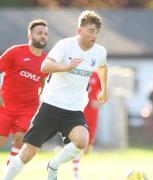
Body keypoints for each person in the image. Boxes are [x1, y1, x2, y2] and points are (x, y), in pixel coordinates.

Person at [3, 10, 108, 180]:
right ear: (79, 31)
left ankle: (54, 165)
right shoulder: (65, 45)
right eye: (90, 31)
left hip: (73, 109)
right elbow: (45, 66)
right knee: (27, 154)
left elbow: (102, 67)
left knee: (82, 140)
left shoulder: (99, 52)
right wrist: (66, 67)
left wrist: (104, 89)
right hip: (51, 106)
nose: (94, 35)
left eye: (96, 31)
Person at [0, 19, 48, 165]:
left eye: (45, 34)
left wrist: (43, 100)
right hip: (5, 106)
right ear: (30, 35)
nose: (43, 36)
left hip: (28, 108)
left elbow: (44, 82)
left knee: (20, 139)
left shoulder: (47, 61)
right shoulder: (15, 52)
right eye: (39, 33)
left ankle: (8, 172)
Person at [72, 72, 102, 180]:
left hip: (93, 114)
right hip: (80, 112)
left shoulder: (96, 75)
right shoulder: (78, 72)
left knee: (87, 149)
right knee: (78, 143)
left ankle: (68, 155)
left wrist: (99, 100)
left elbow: (103, 91)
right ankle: (75, 174)